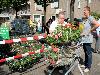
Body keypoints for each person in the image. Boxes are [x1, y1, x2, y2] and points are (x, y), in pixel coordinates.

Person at [81, 6, 100, 72]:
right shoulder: (86, 19)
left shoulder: (90, 18)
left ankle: (88, 67)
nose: (84, 11)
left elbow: (97, 24)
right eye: (83, 10)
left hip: (88, 38)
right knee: (85, 52)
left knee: (89, 53)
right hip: (84, 38)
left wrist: (90, 30)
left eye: (85, 10)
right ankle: (86, 63)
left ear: (88, 11)